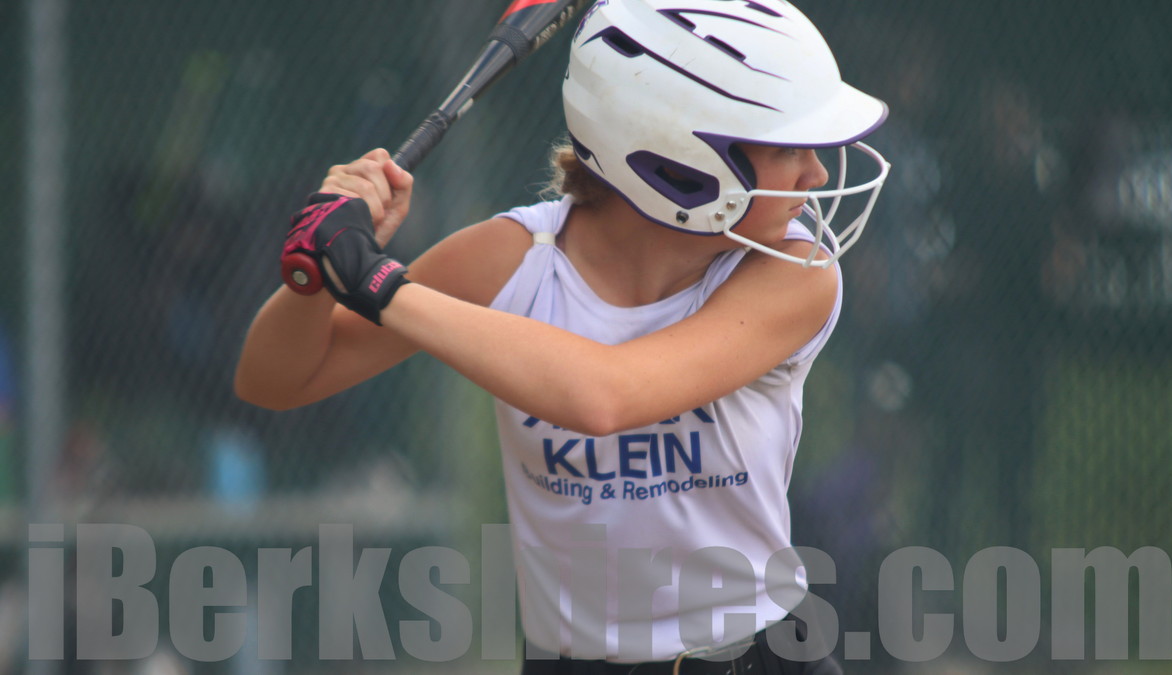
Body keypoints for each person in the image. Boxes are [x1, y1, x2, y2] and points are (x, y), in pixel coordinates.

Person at [236, 0, 889, 672]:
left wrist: (377, 283)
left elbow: (604, 396)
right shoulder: (513, 260)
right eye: (788, 148)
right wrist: (319, 271)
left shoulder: (796, 274)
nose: (816, 175)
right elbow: (274, 379)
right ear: (682, 161)